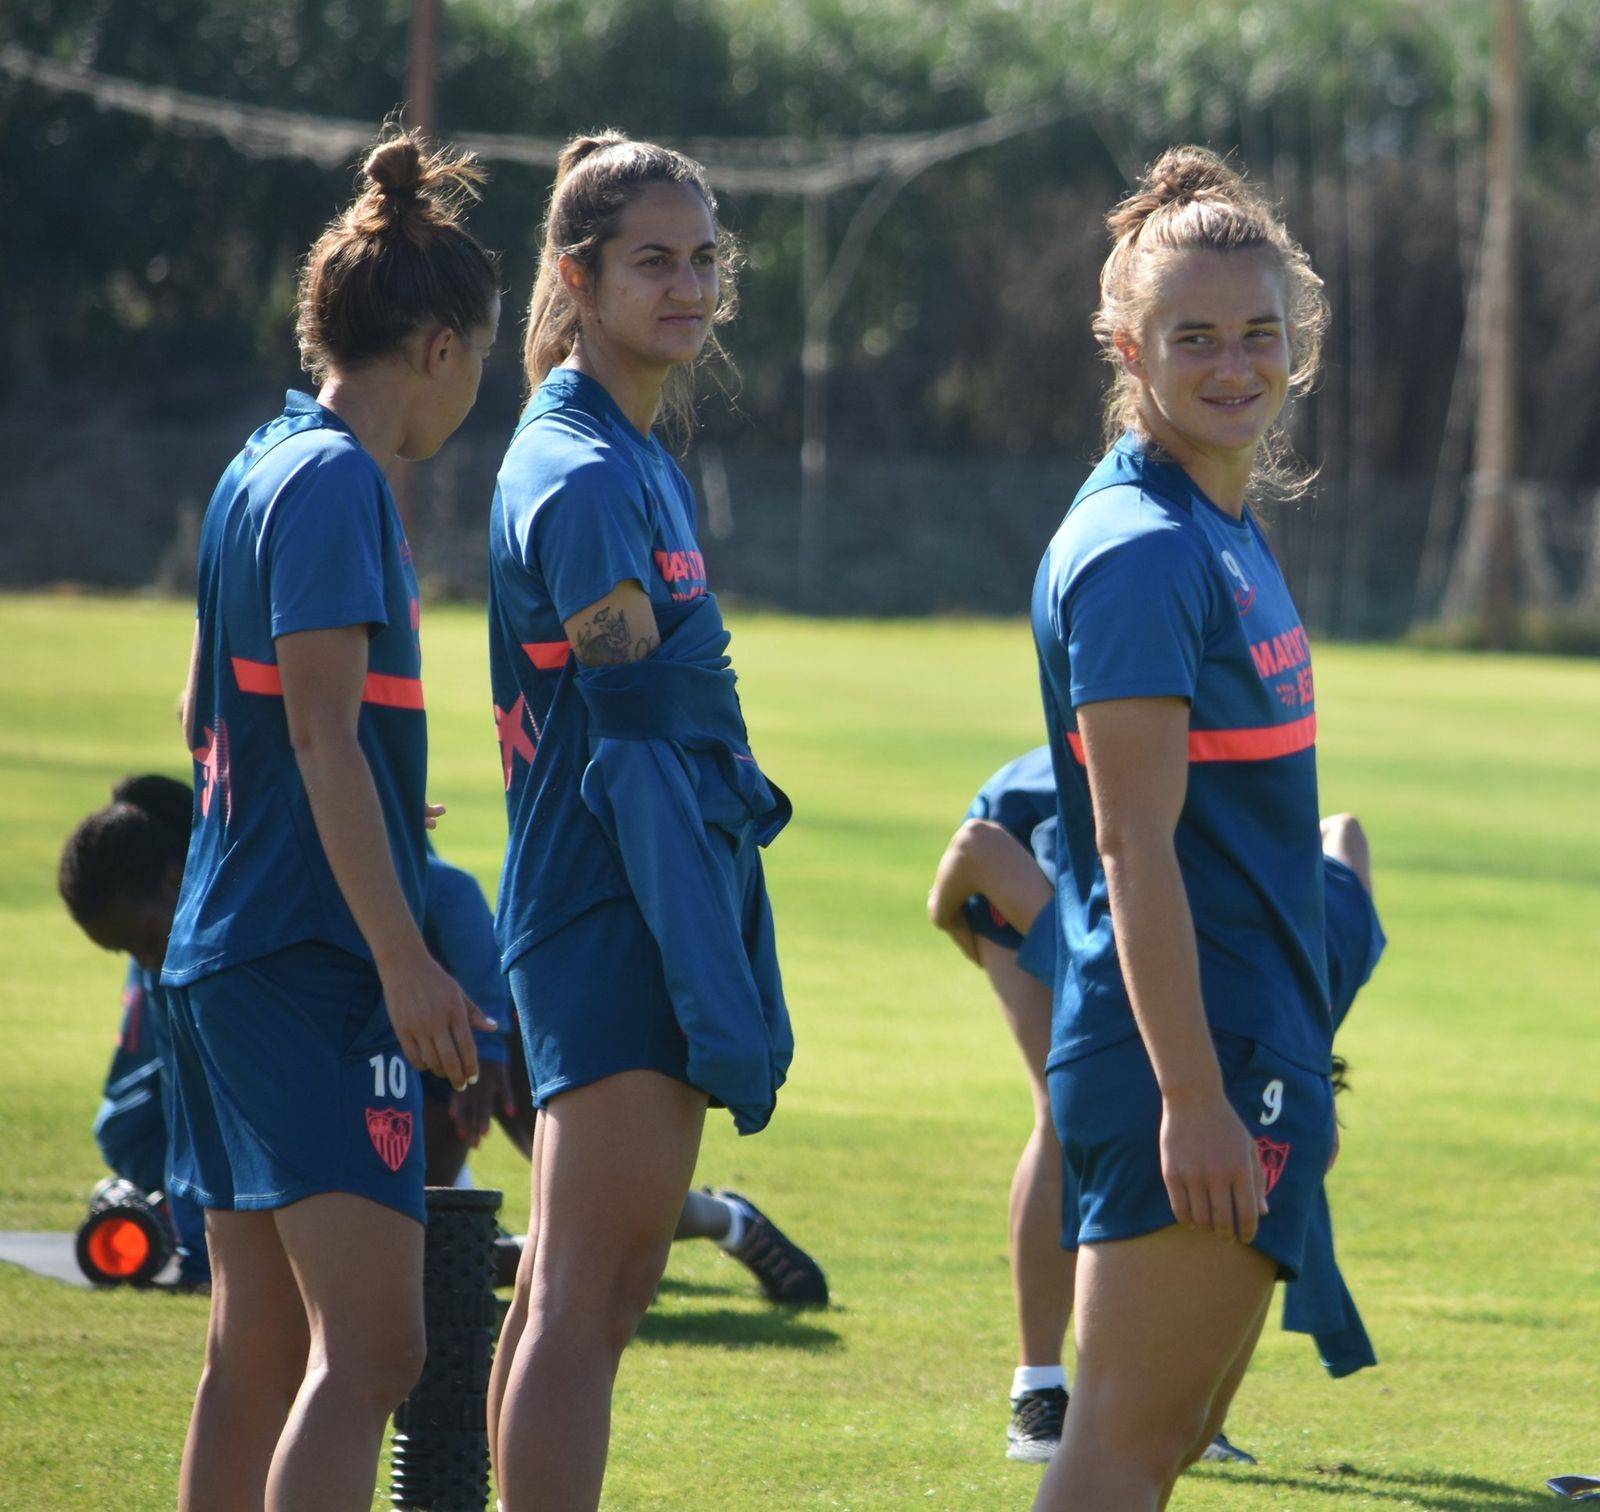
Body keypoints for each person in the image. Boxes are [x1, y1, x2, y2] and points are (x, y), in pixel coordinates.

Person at [157, 127, 501, 1512]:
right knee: (375, 1350)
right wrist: (407, 957)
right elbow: (314, 737)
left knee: (262, 1346)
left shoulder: (260, 465)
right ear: (438, 348)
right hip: (305, 966)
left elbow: (205, 710)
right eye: (481, 358)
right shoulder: (338, 483)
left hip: (226, 952)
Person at [486, 130, 793, 1510]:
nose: (688, 287)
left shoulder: (634, 450)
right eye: (652, 262)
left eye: (703, 259)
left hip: (624, 900)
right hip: (615, 908)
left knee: (567, 1289)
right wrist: (697, 957)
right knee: (593, 1304)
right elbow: (636, 758)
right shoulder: (586, 471)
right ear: (577, 274)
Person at [1027, 144, 1333, 1512]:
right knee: (1125, 1450)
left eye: (1258, 335)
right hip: (1188, 1065)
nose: (1233, 366)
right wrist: (1197, 1098)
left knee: (1157, 1446)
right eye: (1193, 338)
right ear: (1125, 345)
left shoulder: (1222, 528)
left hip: (1250, 1037)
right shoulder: (1144, 548)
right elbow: (1132, 844)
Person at [930, 749, 1386, 1463]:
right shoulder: (1104, 942)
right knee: (1068, 1115)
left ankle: (1159, 1389)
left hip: (1188, 892)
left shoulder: (1336, 941)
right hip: (1034, 864)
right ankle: (1040, 1392)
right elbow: (978, 849)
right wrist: (949, 913)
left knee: (1183, 1122)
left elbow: (1344, 831)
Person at [419, 850, 826, 1304]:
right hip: (405, 1051)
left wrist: (491, 1047)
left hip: (496, 1033)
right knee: (420, 1255)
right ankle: (534, 1257)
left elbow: (452, 893)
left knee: (602, 1204)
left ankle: (729, 1221)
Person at [58, 774, 211, 1288]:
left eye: (147, 938)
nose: (149, 963)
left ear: (175, 879)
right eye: (130, 953)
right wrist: (200, 1260)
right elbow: (185, 1110)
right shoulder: (166, 970)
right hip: (145, 1142)